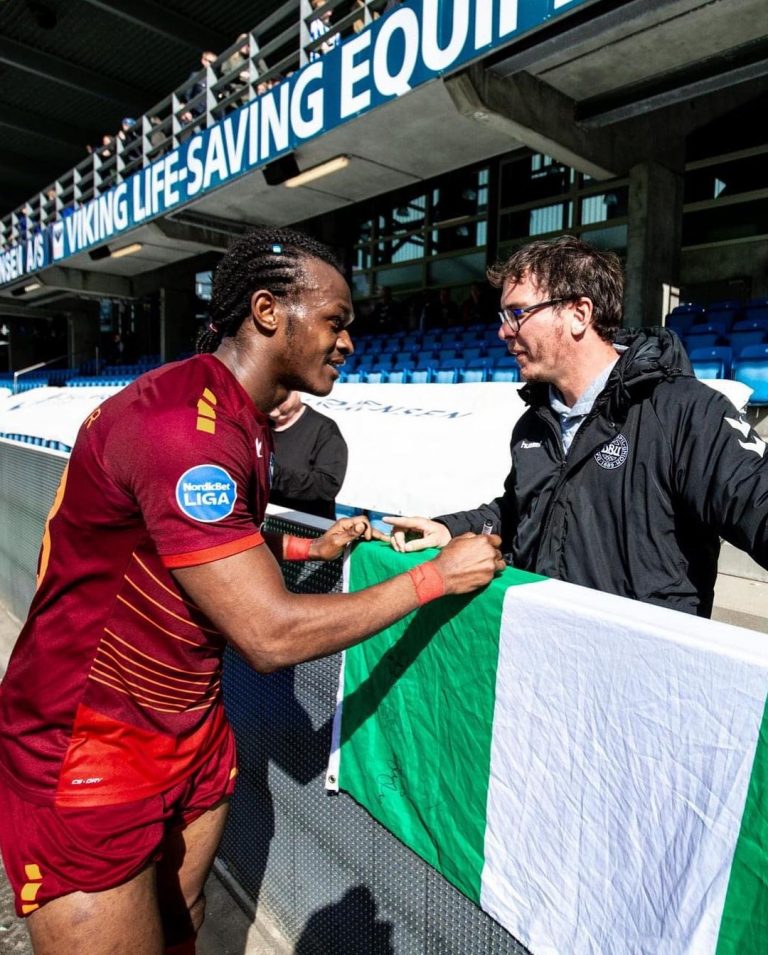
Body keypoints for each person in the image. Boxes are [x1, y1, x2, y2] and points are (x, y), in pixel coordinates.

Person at [0, 227, 502, 955]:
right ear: (267, 311)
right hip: (91, 744)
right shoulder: (183, 426)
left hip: (191, 725)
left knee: (184, 919)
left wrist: (306, 548)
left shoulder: (241, 416)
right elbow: (268, 635)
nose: (348, 342)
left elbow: (207, 545)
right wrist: (436, 578)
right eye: (335, 321)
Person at [382, 234, 768, 618]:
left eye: (517, 313)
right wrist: (449, 529)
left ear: (579, 314)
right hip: (541, 642)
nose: (503, 331)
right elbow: (518, 512)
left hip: (641, 653)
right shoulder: (533, 424)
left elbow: (758, 504)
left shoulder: (685, 411)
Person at [269, 390, 348, 520]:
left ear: (297, 390)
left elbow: (327, 487)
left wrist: (273, 475)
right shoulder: (256, 424)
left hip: (306, 525)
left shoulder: (324, 428)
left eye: (280, 391)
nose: (272, 397)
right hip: (260, 522)